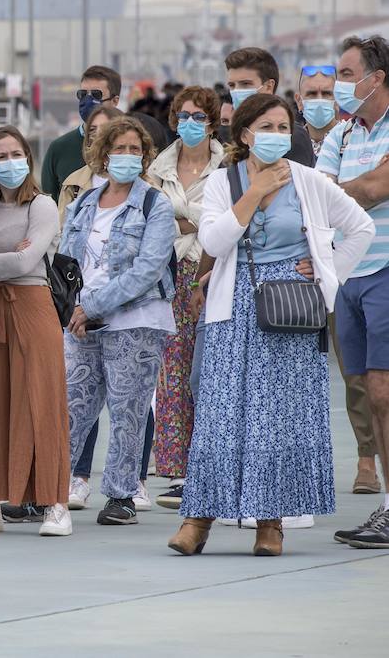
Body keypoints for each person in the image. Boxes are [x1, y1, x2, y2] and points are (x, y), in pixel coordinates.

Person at [169, 94, 373, 557]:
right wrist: (255, 193)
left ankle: (271, 523)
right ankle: (197, 519)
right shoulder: (225, 182)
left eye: (284, 128)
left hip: (290, 307)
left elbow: (360, 226)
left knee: (278, 418)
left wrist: (327, 269)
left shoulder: (308, 181)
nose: (276, 136)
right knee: (221, 414)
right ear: (244, 134)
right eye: (267, 127)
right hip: (232, 305)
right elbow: (215, 240)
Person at [57, 116, 177, 527]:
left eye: (135, 149)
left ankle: (121, 494)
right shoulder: (84, 202)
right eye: (119, 148)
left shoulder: (154, 204)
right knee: (73, 405)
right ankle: (52, 489)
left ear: (145, 156)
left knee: (128, 408)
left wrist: (94, 307)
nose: (127, 156)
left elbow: (148, 270)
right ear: (103, 154)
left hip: (136, 319)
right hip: (81, 319)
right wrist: (74, 308)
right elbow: (68, 262)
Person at [0, 126, 72, 538]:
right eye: (0, 156)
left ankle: (55, 503)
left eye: (16, 153)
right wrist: (0, 257)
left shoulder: (41, 205)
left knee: (42, 399)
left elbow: (27, 265)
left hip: (32, 306)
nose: (10, 162)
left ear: (28, 157)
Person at [318, 35, 389, 548]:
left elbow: (375, 188)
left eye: (346, 74)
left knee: (385, 392)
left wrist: (339, 195)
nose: (341, 86)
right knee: (368, 391)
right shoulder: (340, 137)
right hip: (349, 275)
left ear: (376, 78)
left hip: (385, 270)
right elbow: (319, 199)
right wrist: (348, 194)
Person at [298, 63, 381, 495]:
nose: (319, 102)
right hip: (300, 270)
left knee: (362, 373)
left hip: (348, 263)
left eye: (326, 93)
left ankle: (366, 458)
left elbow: (332, 196)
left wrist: (338, 191)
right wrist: (357, 185)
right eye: (310, 94)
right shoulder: (296, 140)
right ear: (298, 99)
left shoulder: (349, 133)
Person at [145, 87, 225, 511]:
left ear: (212, 122)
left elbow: (227, 219)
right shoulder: (159, 166)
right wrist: (200, 220)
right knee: (172, 373)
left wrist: (187, 219)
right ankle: (181, 470)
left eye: (199, 116)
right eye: (183, 115)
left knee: (209, 369)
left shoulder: (228, 163)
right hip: (172, 274)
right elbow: (157, 221)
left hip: (213, 273)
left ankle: (214, 462)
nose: (190, 122)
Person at [42, 65, 169, 201]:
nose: (88, 101)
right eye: (83, 94)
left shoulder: (138, 140)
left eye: (96, 94)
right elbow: (52, 205)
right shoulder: (59, 148)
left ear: (115, 101)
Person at [224, 47, 315, 165]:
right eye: (232, 85)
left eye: (245, 84)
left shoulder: (290, 136)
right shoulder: (236, 132)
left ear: (268, 87)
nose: (237, 91)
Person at [56, 104, 125, 226]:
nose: (98, 134)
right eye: (92, 130)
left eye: (105, 128)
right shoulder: (73, 184)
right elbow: (62, 233)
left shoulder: (146, 184)